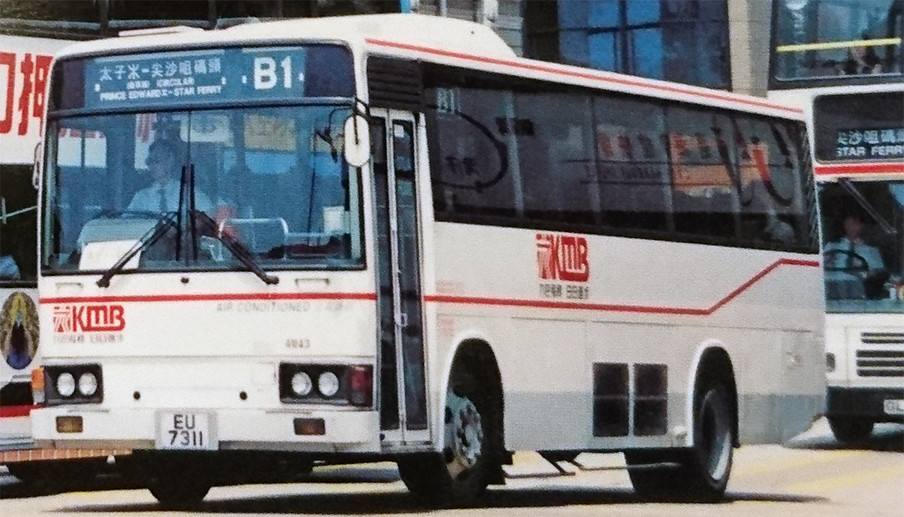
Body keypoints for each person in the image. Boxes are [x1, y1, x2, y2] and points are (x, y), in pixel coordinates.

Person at [128, 139, 214, 213]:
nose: (151, 165)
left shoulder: (188, 194)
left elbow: (209, 217)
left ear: (170, 161)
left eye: (156, 160)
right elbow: (128, 222)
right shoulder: (141, 197)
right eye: (149, 161)